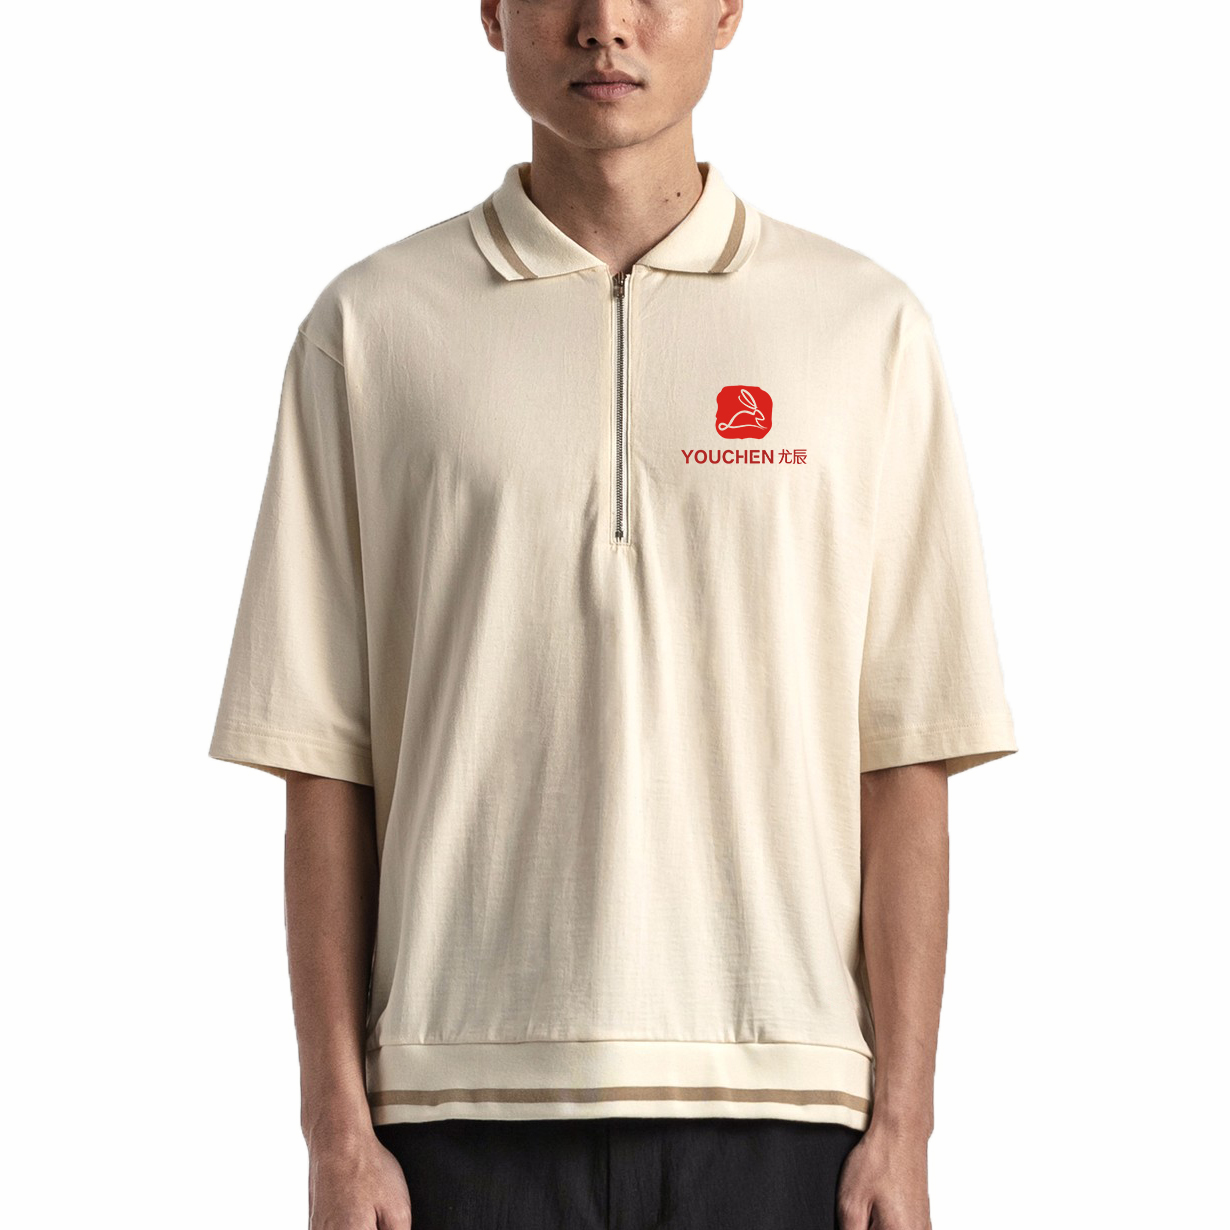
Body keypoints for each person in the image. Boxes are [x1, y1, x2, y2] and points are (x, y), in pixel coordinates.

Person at [208, 1, 1018, 1227]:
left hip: (788, 1103)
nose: (605, 25)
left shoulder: (866, 330)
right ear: (493, 14)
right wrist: (334, 1130)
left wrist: (904, 1124)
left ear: (729, 11)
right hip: (451, 1109)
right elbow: (324, 758)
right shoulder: (369, 330)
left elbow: (907, 754)